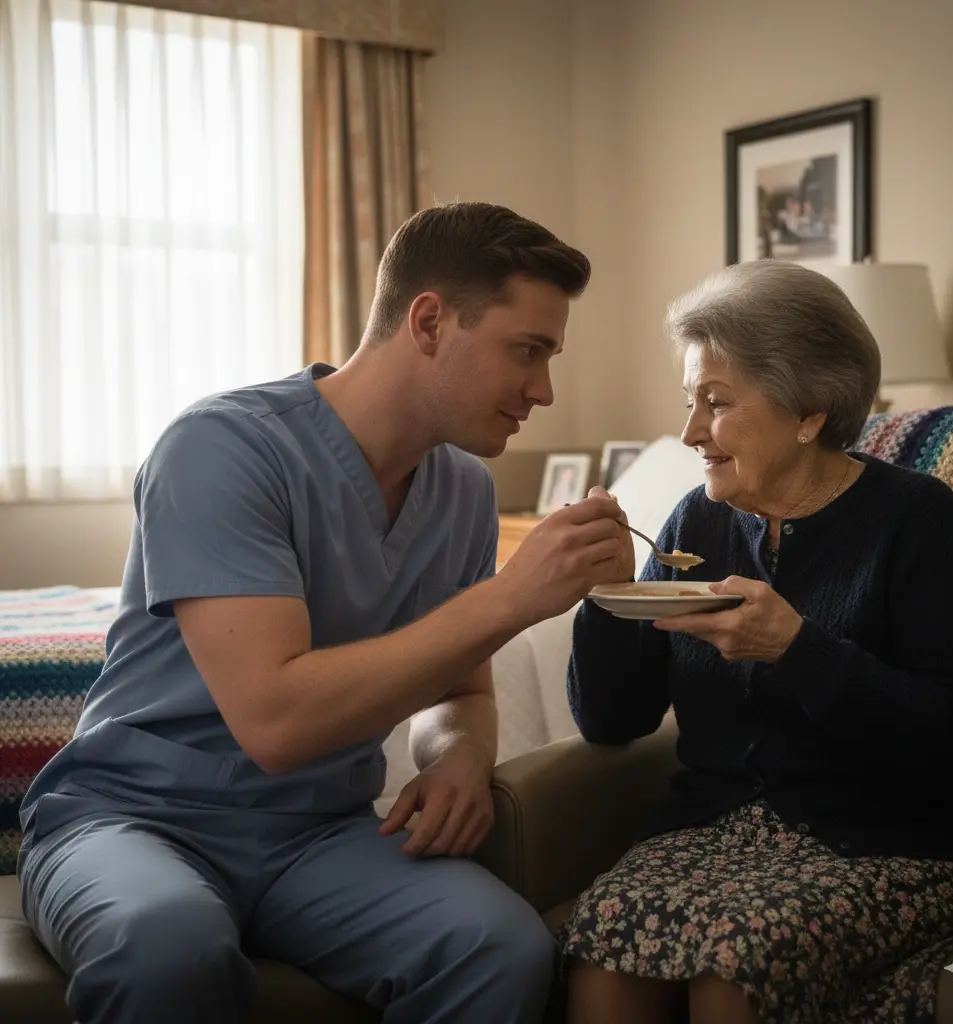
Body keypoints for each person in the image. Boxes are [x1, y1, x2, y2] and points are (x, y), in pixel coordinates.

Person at [17, 202, 630, 1024]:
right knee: (167, 944)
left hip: (315, 834)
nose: (544, 390)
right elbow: (276, 723)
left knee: (498, 946)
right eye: (528, 351)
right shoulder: (221, 449)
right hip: (135, 818)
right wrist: (514, 594)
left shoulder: (463, 491)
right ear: (428, 321)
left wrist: (457, 757)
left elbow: (462, 692)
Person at [560, 259, 953, 1024]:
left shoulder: (915, 520)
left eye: (717, 403)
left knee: (734, 967)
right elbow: (612, 720)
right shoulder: (694, 523)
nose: (692, 431)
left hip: (894, 842)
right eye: (690, 401)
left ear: (810, 410)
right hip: (714, 830)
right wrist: (601, 598)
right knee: (602, 956)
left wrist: (798, 649)